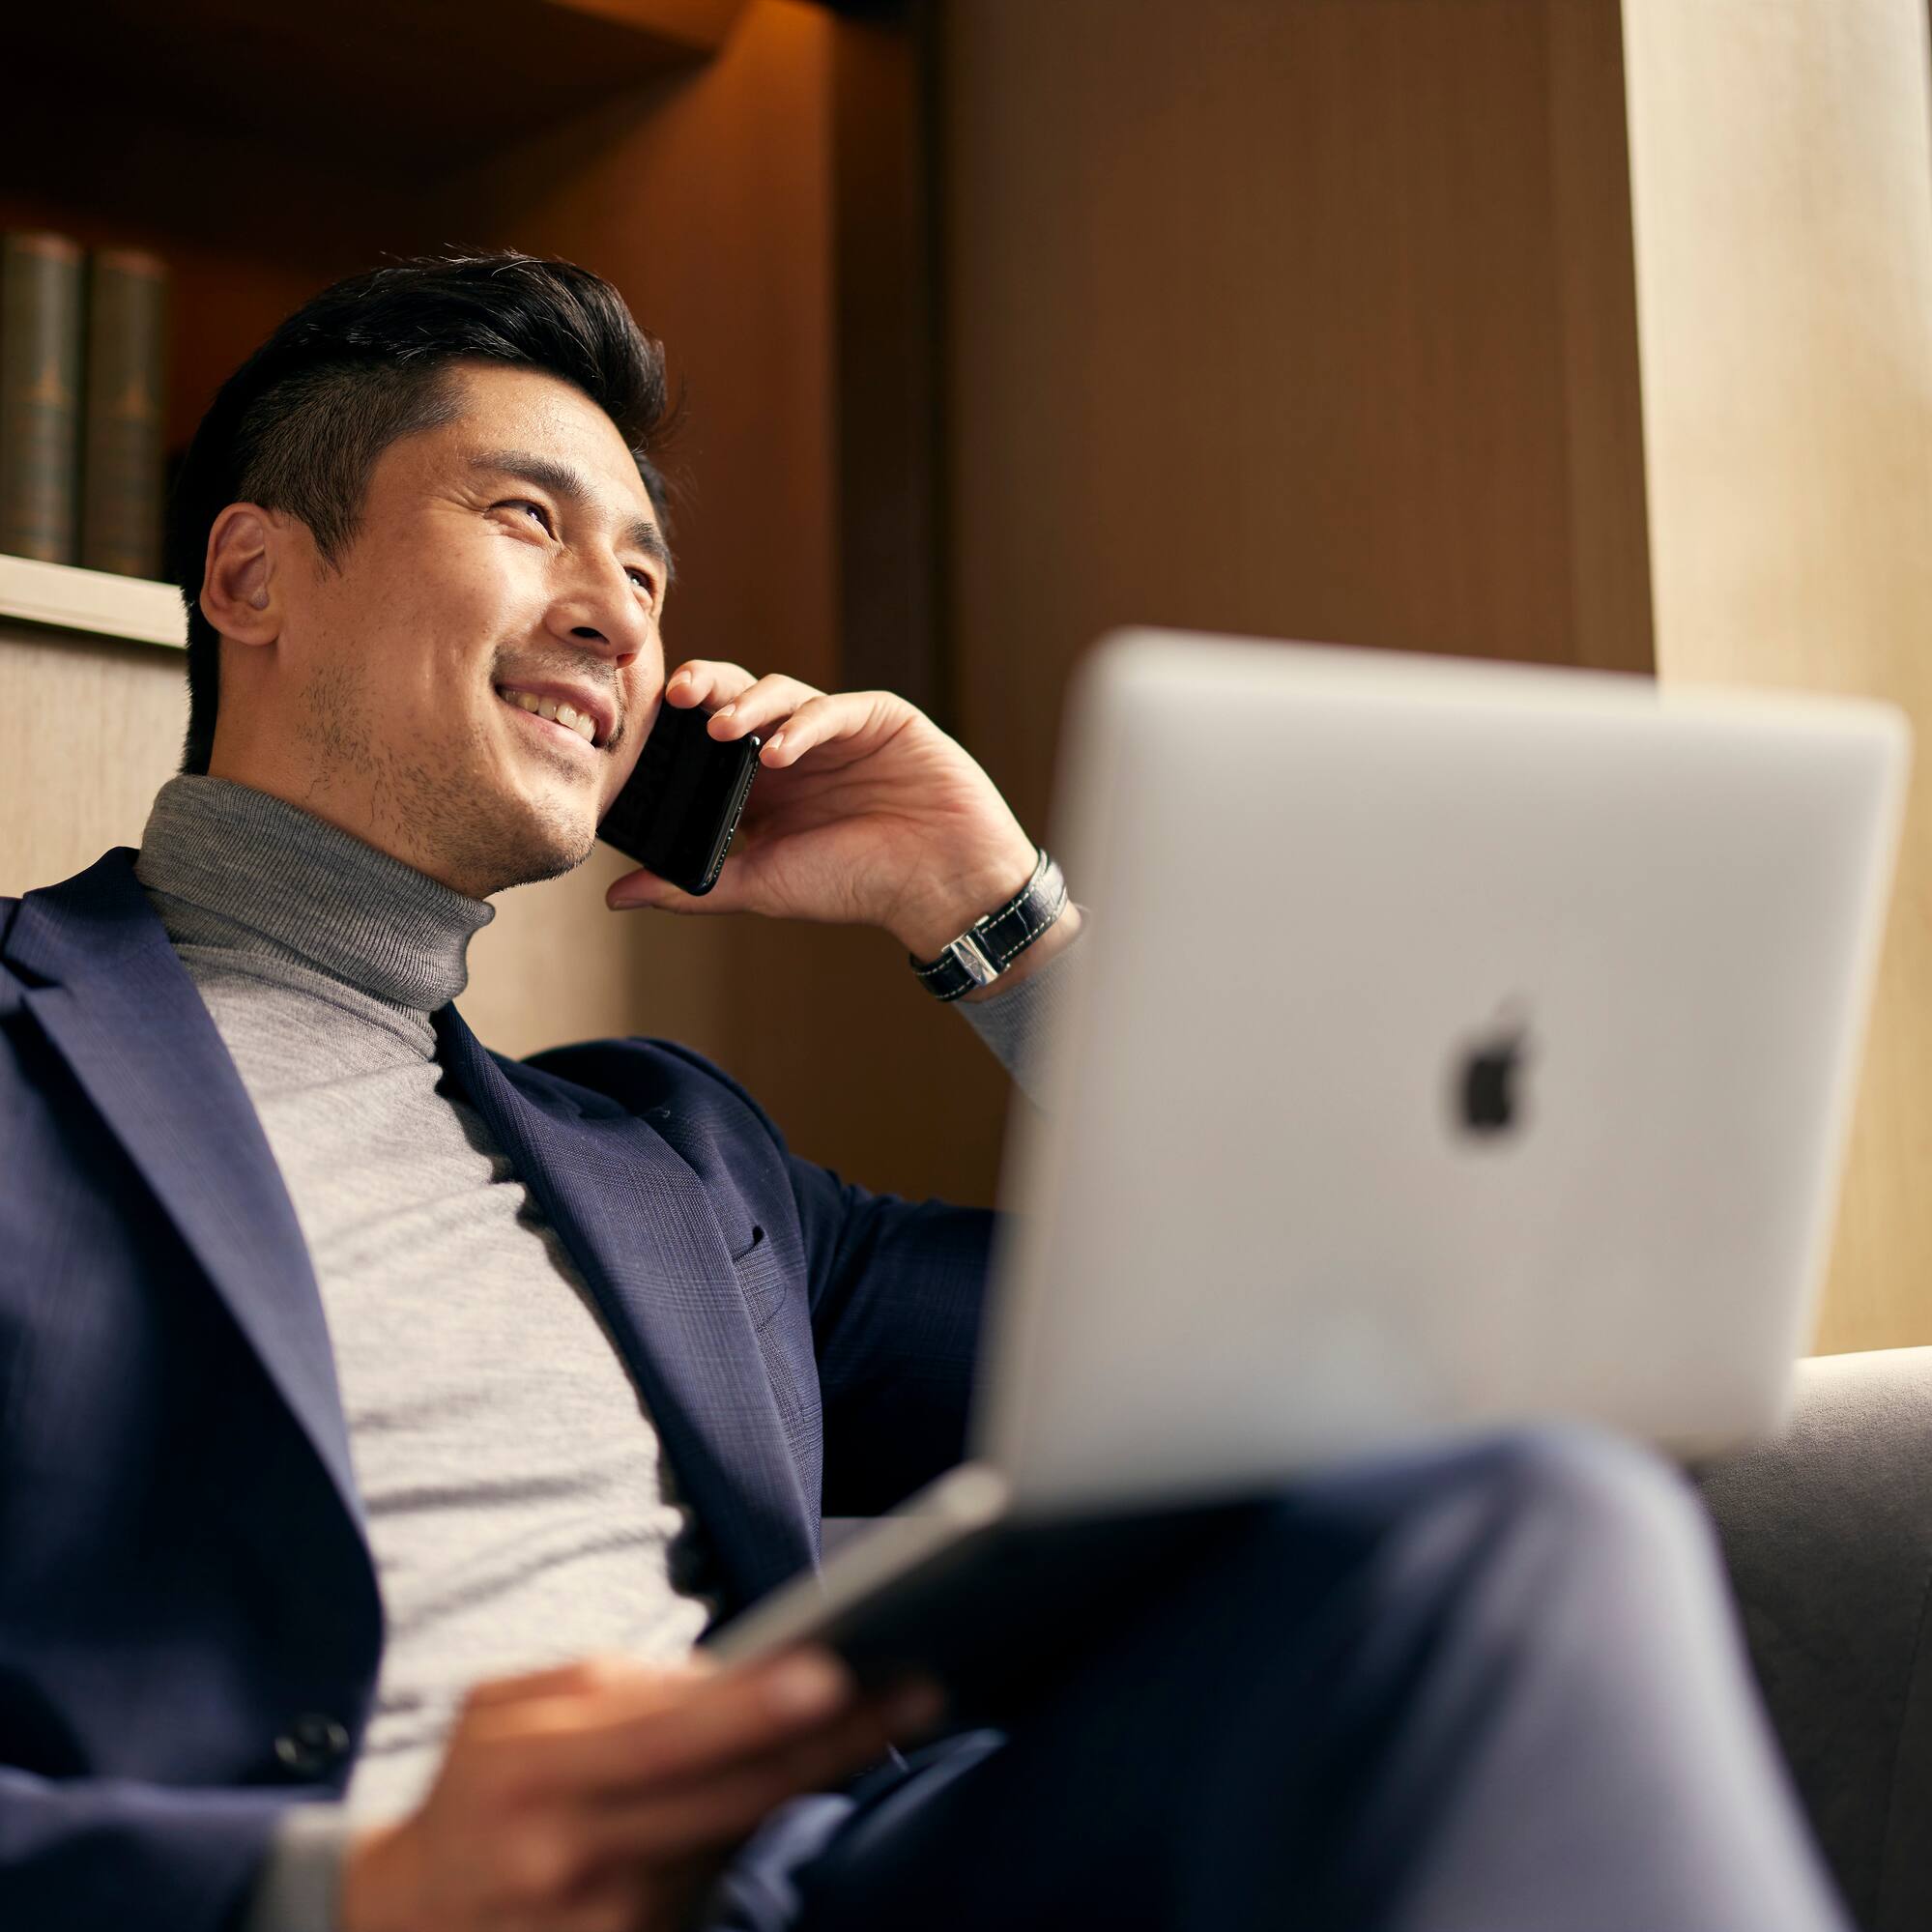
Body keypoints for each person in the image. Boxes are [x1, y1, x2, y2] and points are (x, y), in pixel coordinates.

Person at [0, 251, 1850, 1932]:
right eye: (528, 521)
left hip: (859, 1883)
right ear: (252, 573)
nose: (614, 617)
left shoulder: (673, 1160)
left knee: (1530, 1512)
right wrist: (346, 1885)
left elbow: (1365, 1338)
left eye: (646, 572)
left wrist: (994, 917)